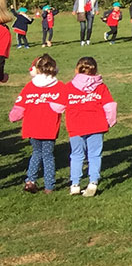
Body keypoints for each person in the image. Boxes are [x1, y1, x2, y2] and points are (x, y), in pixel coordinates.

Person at [60, 56, 116, 195]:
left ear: (76, 69)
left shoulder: (68, 87)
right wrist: (110, 121)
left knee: (77, 155)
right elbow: (110, 106)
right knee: (94, 155)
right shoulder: (100, 87)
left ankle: (75, 184)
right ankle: (93, 182)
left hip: (75, 126)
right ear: (95, 70)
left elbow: (58, 106)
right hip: (97, 125)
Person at [10, 53, 63, 193]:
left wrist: (13, 116)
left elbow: (19, 106)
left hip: (32, 126)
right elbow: (63, 105)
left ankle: (30, 180)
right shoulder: (59, 86)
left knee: (36, 153)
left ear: (37, 69)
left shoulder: (30, 86)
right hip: (48, 127)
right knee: (48, 155)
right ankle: (49, 186)